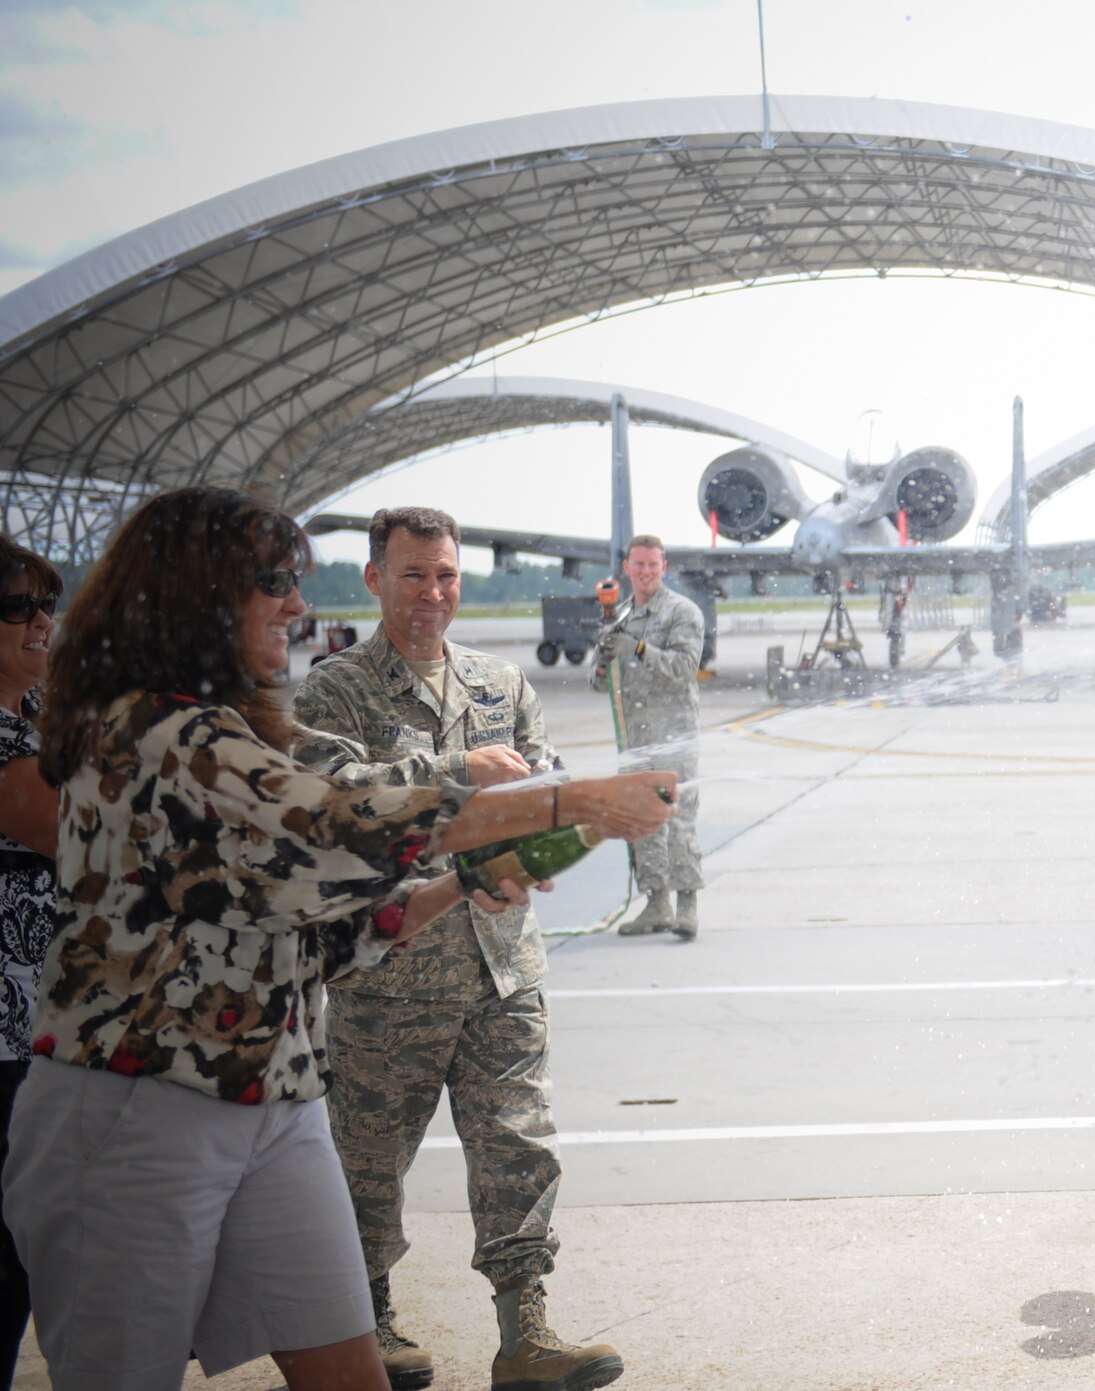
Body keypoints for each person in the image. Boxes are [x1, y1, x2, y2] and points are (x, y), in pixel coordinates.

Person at [1, 487, 674, 1391]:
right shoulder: (155, 734)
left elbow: (331, 927)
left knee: (350, 1372)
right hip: (137, 1105)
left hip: (270, 1096)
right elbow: (322, 828)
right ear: (197, 594)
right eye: (273, 580)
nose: (297, 602)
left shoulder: (239, 728)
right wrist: (563, 802)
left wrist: (467, 879)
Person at [291, 506, 620, 1391]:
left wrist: (544, 852)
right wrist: (456, 776)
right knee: (367, 1159)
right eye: (412, 575)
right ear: (372, 580)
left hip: (501, 965)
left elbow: (543, 797)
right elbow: (339, 807)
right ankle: (370, 1327)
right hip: (390, 973)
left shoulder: (499, 685)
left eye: (445, 575)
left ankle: (526, 1332)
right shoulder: (336, 690)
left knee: (519, 1146)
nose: (432, 593)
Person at [0, 537, 59, 1391]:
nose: (43, 620)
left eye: (49, 603)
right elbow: (65, 830)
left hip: (38, 1018)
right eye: (18, 607)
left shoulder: (46, 714)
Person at [591, 535, 705, 939]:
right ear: (627, 569)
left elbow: (684, 667)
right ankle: (656, 903)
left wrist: (637, 649)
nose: (645, 572)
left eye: (652, 565)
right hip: (635, 738)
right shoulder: (618, 616)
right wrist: (604, 660)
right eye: (638, 565)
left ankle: (687, 905)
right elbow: (597, 681)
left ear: (664, 568)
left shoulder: (682, 613)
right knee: (642, 822)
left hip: (674, 735)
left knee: (679, 820)